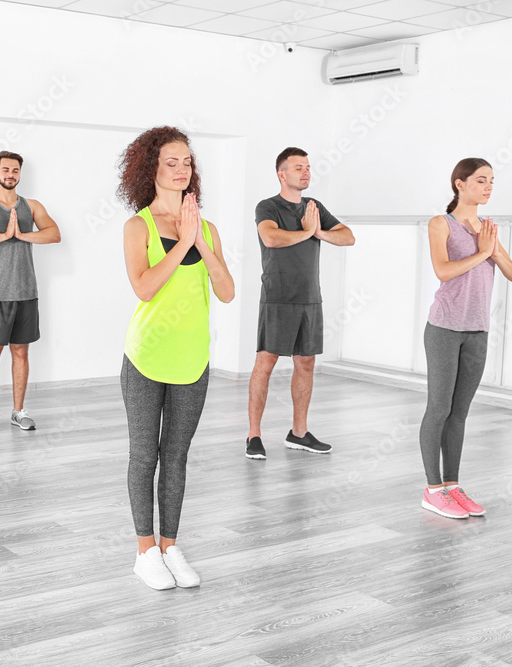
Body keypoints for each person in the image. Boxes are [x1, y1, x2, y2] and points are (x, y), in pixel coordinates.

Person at [117, 127, 234, 590]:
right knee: (145, 455)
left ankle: (170, 544)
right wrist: (183, 242)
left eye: (187, 161)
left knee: (178, 457)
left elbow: (226, 291)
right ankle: (145, 551)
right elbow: (144, 287)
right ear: (152, 168)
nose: (182, 168)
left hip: (193, 360)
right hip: (145, 357)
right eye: (172, 161)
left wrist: (199, 240)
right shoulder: (138, 226)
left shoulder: (209, 230)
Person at [420, 158, 512, 518]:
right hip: (445, 328)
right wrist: (481, 252)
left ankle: (453, 486)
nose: (488, 187)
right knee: (439, 409)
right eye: (481, 180)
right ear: (460, 184)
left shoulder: (488, 230)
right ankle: (432, 490)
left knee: (459, 414)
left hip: (477, 331)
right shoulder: (440, 223)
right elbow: (443, 272)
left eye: (492, 181)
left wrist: (491, 248)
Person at [246, 147, 355, 460]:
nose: (306, 172)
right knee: (265, 363)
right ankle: (254, 435)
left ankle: (299, 433)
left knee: (306, 363)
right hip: (277, 297)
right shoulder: (267, 206)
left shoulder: (314, 207)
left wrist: (316, 230)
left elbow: (347, 237)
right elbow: (270, 238)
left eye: (307, 167)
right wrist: (306, 232)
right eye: (298, 168)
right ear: (282, 174)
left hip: (310, 298)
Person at [0, 151, 61, 432]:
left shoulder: (31, 206)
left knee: (21, 353)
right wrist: (4, 235)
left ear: (20, 174)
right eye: (5, 169)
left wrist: (23, 235)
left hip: (26, 291)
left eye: (15, 170)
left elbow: (54, 233)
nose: (10, 174)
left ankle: (18, 411)